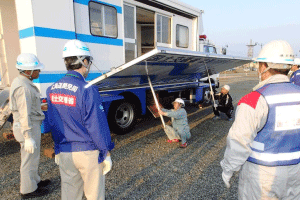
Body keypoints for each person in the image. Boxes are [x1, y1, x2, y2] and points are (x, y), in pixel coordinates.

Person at [220, 40, 300, 199]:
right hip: (296, 172)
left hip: (262, 176)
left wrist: (228, 170)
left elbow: (239, 141)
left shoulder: (254, 99)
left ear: (264, 67)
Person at [46, 39, 114, 200]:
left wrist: (57, 147)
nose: (88, 65)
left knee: (69, 194)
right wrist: (106, 152)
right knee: (94, 194)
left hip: (65, 151)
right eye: (88, 62)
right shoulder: (87, 89)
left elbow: (53, 123)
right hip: (87, 152)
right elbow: (96, 125)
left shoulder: (51, 89)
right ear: (84, 61)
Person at [9, 53, 50, 199]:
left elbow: (29, 106)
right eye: (36, 69)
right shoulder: (23, 87)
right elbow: (24, 112)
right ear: (28, 71)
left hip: (30, 125)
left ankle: (35, 181)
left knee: (33, 157)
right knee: (28, 159)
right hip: (27, 127)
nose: (39, 72)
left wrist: (41, 107)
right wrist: (27, 137)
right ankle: (27, 190)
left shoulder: (22, 82)